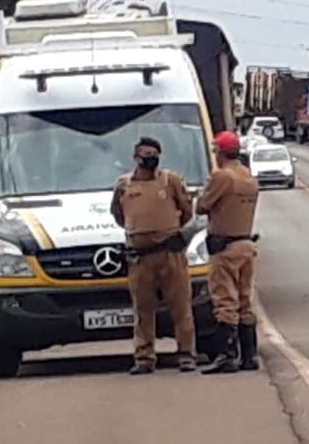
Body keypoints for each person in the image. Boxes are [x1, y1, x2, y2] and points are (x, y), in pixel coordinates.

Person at [111, 136, 198, 374]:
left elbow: (187, 211)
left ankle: (186, 355)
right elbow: (118, 214)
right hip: (140, 257)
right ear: (136, 157)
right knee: (142, 309)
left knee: (180, 306)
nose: (150, 159)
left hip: (170, 253)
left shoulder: (171, 181)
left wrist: (171, 231)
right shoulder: (123, 185)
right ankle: (144, 357)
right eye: (145, 154)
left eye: (154, 154)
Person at [197, 130, 261, 374]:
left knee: (225, 300)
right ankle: (249, 355)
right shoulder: (248, 177)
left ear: (221, 152)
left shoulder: (222, 177)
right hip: (245, 243)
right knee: (245, 299)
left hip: (224, 247)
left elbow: (202, 206)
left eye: (215, 151)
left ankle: (227, 355)